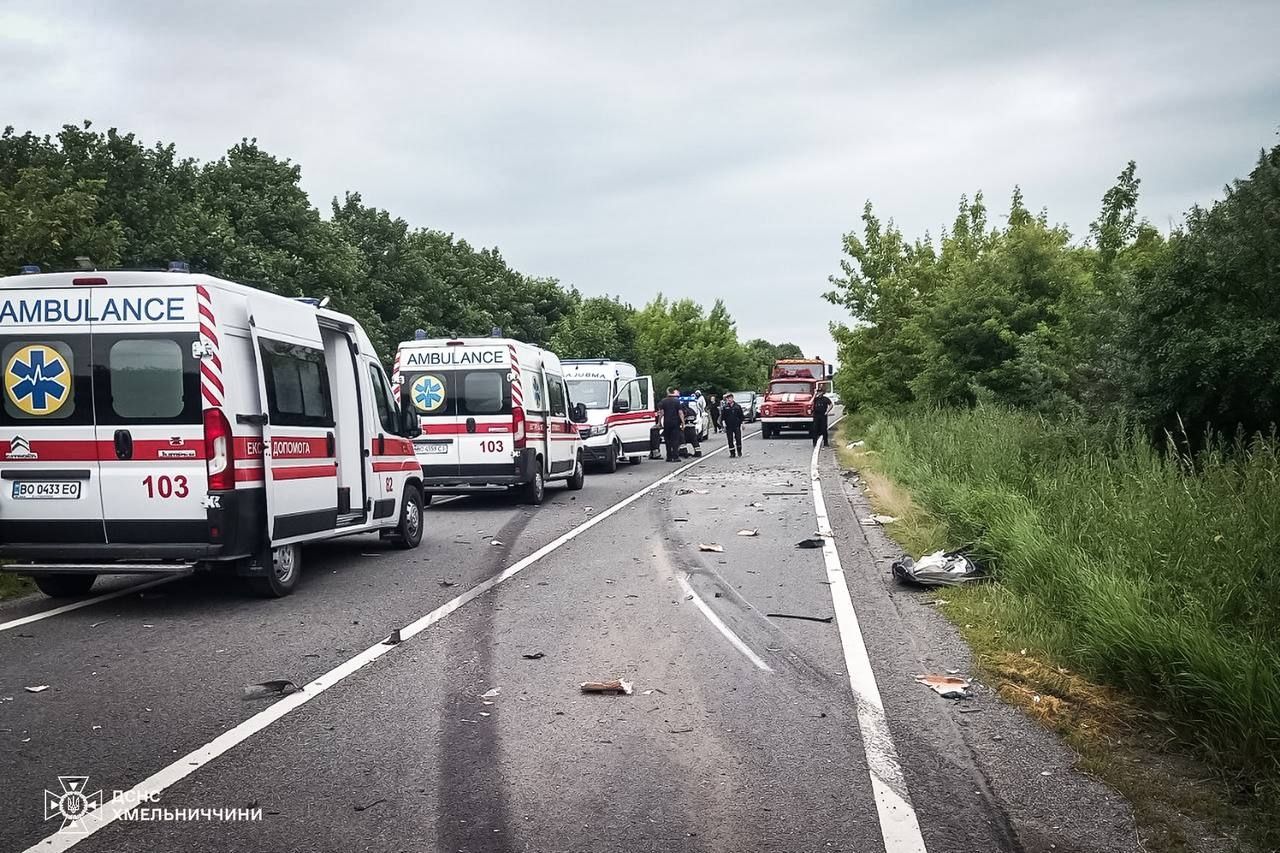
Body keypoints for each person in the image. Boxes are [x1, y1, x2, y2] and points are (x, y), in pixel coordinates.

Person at [656, 386, 685, 462]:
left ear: (668, 392)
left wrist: (659, 422)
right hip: (675, 423)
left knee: (667, 440)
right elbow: (680, 412)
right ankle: (675, 457)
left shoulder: (664, 401)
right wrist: (683, 422)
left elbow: (661, 413)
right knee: (675, 440)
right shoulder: (677, 401)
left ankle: (669, 456)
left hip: (667, 423)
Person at [721, 393, 745, 458]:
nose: (729, 399)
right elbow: (723, 417)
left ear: (732, 398)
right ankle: (732, 453)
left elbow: (741, 416)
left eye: (730, 398)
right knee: (730, 440)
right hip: (729, 426)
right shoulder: (725, 407)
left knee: (738, 439)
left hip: (737, 425)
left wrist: (742, 424)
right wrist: (723, 424)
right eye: (728, 398)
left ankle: (739, 451)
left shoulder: (737, 406)